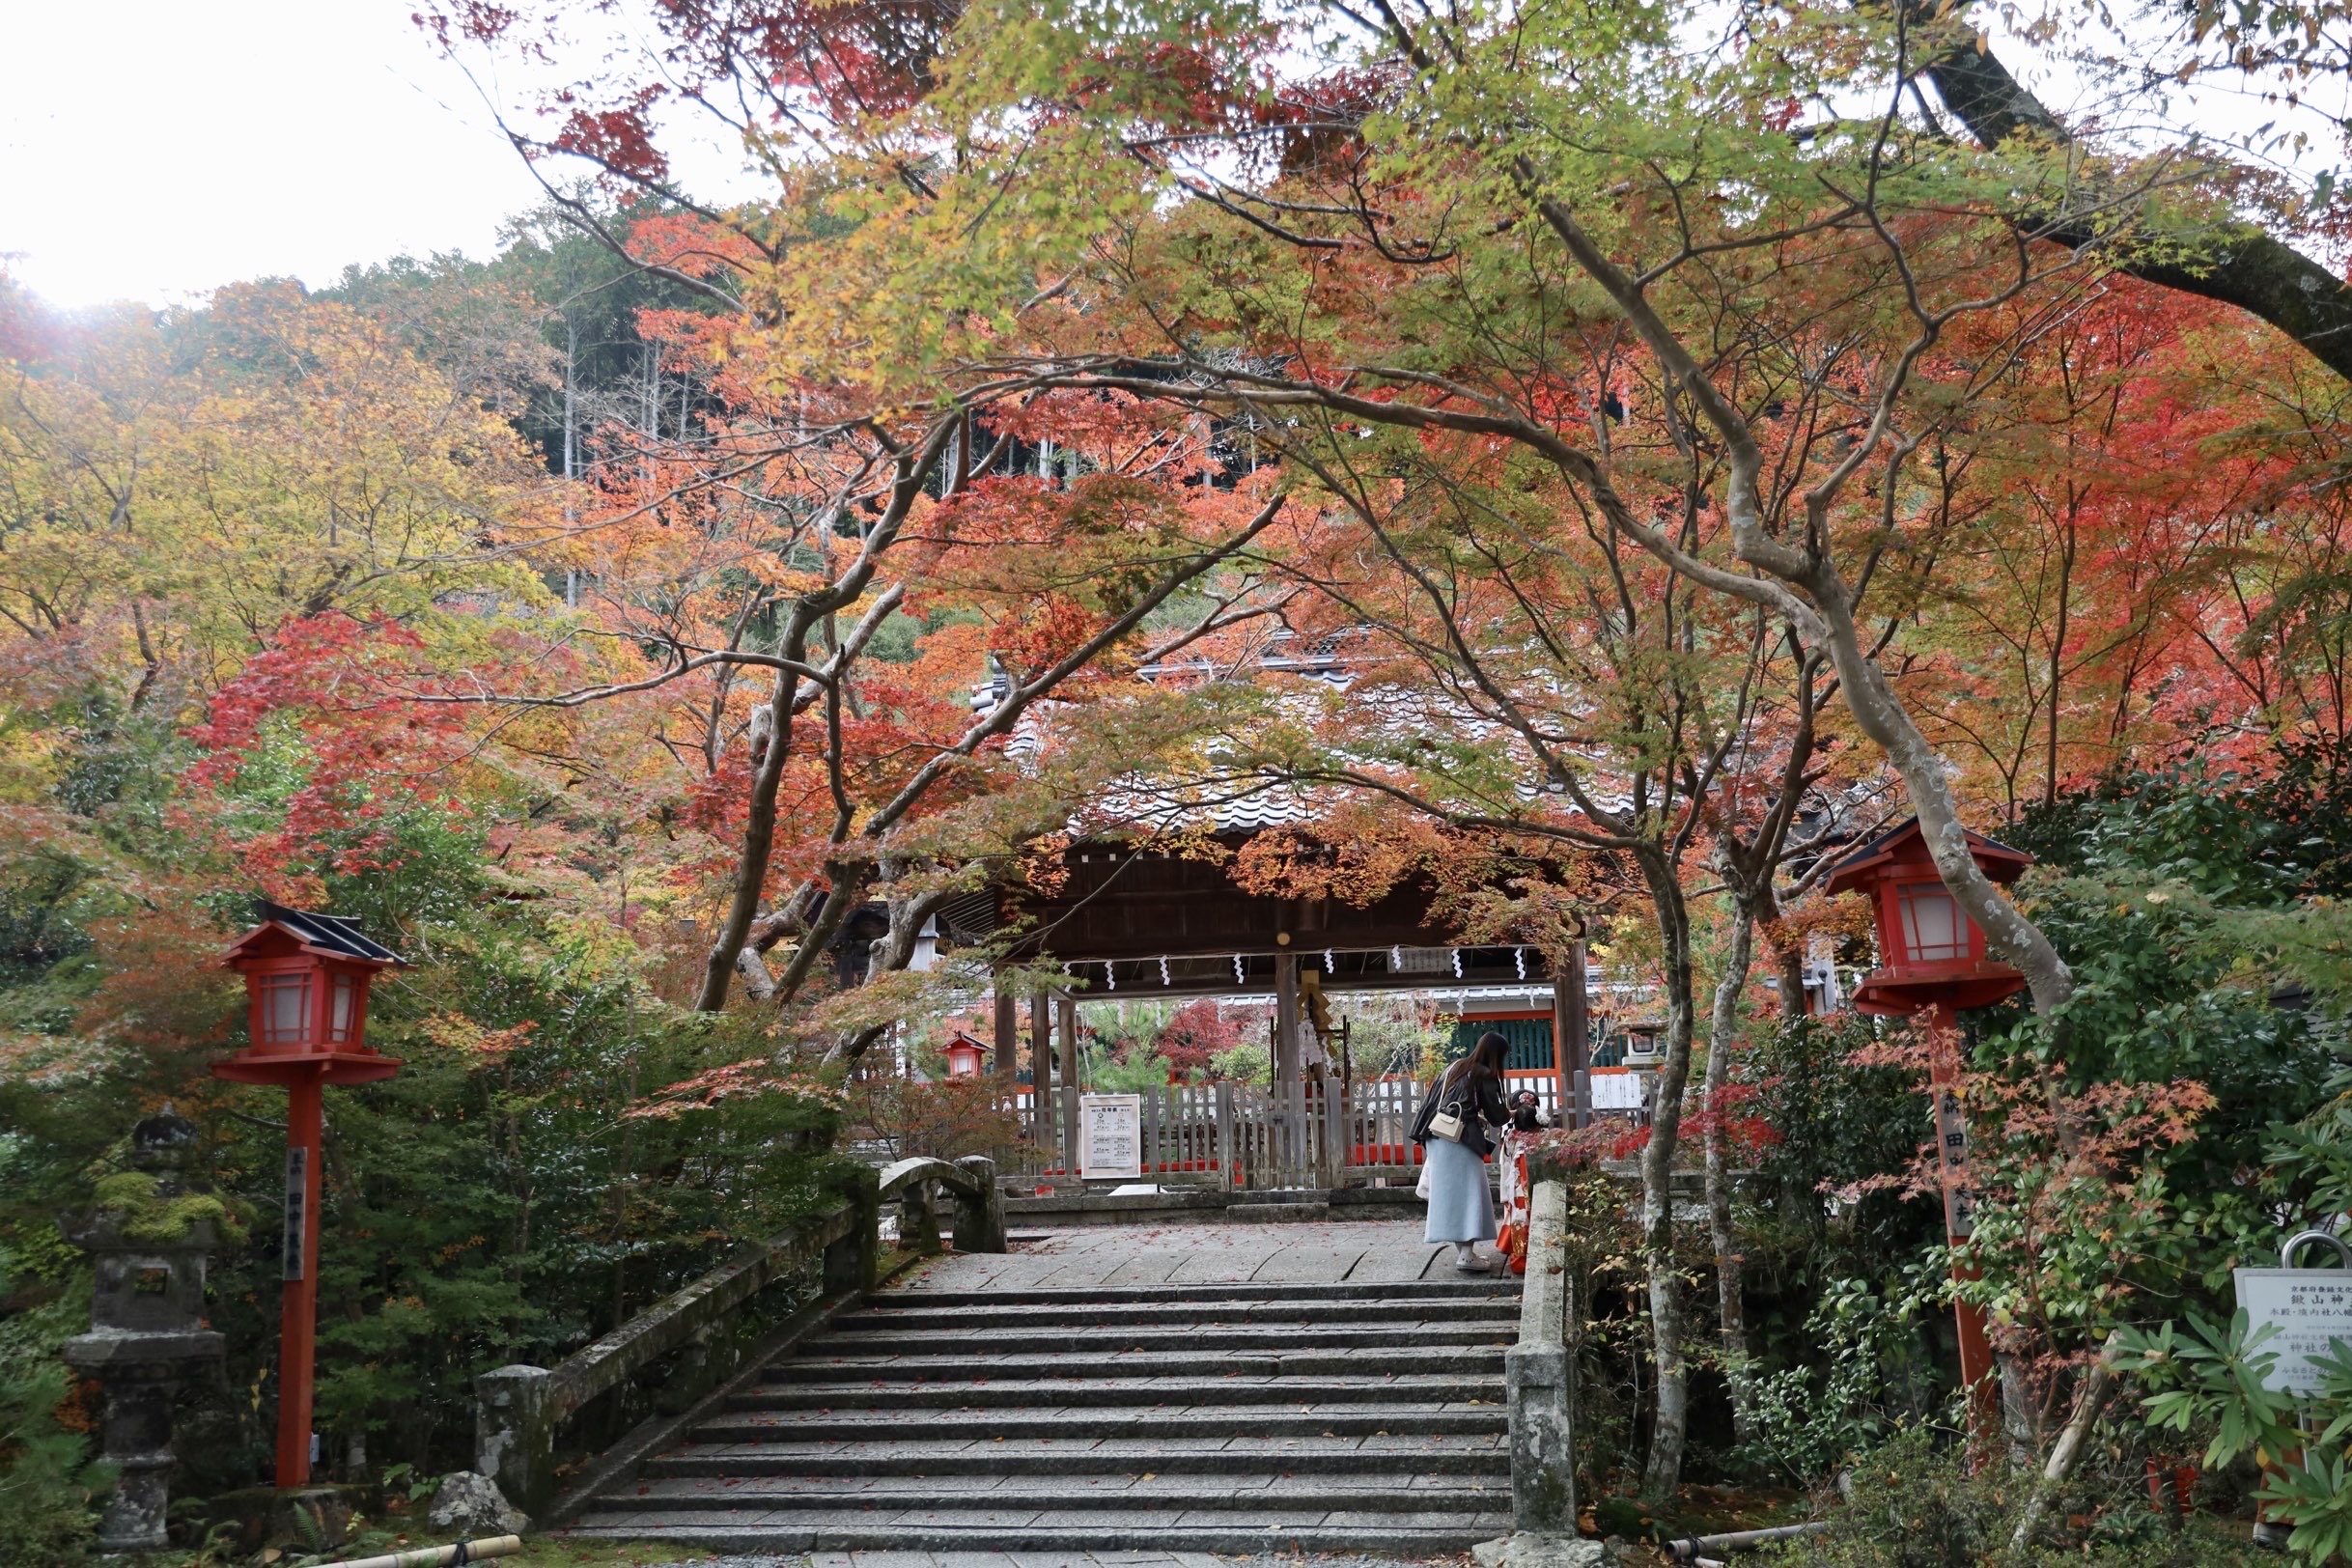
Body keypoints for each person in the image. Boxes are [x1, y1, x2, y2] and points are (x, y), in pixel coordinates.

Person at [1412, 1032, 1512, 1272]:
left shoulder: (1455, 1067)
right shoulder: (1483, 1073)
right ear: (1496, 1054)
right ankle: (1466, 1255)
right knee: (1469, 1196)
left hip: (1437, 1135)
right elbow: (1496, 1116)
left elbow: (1434, 1101)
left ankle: (1466, 1254)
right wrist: (1515, 1113)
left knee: (1452, 1199)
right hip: (1460, 1140)